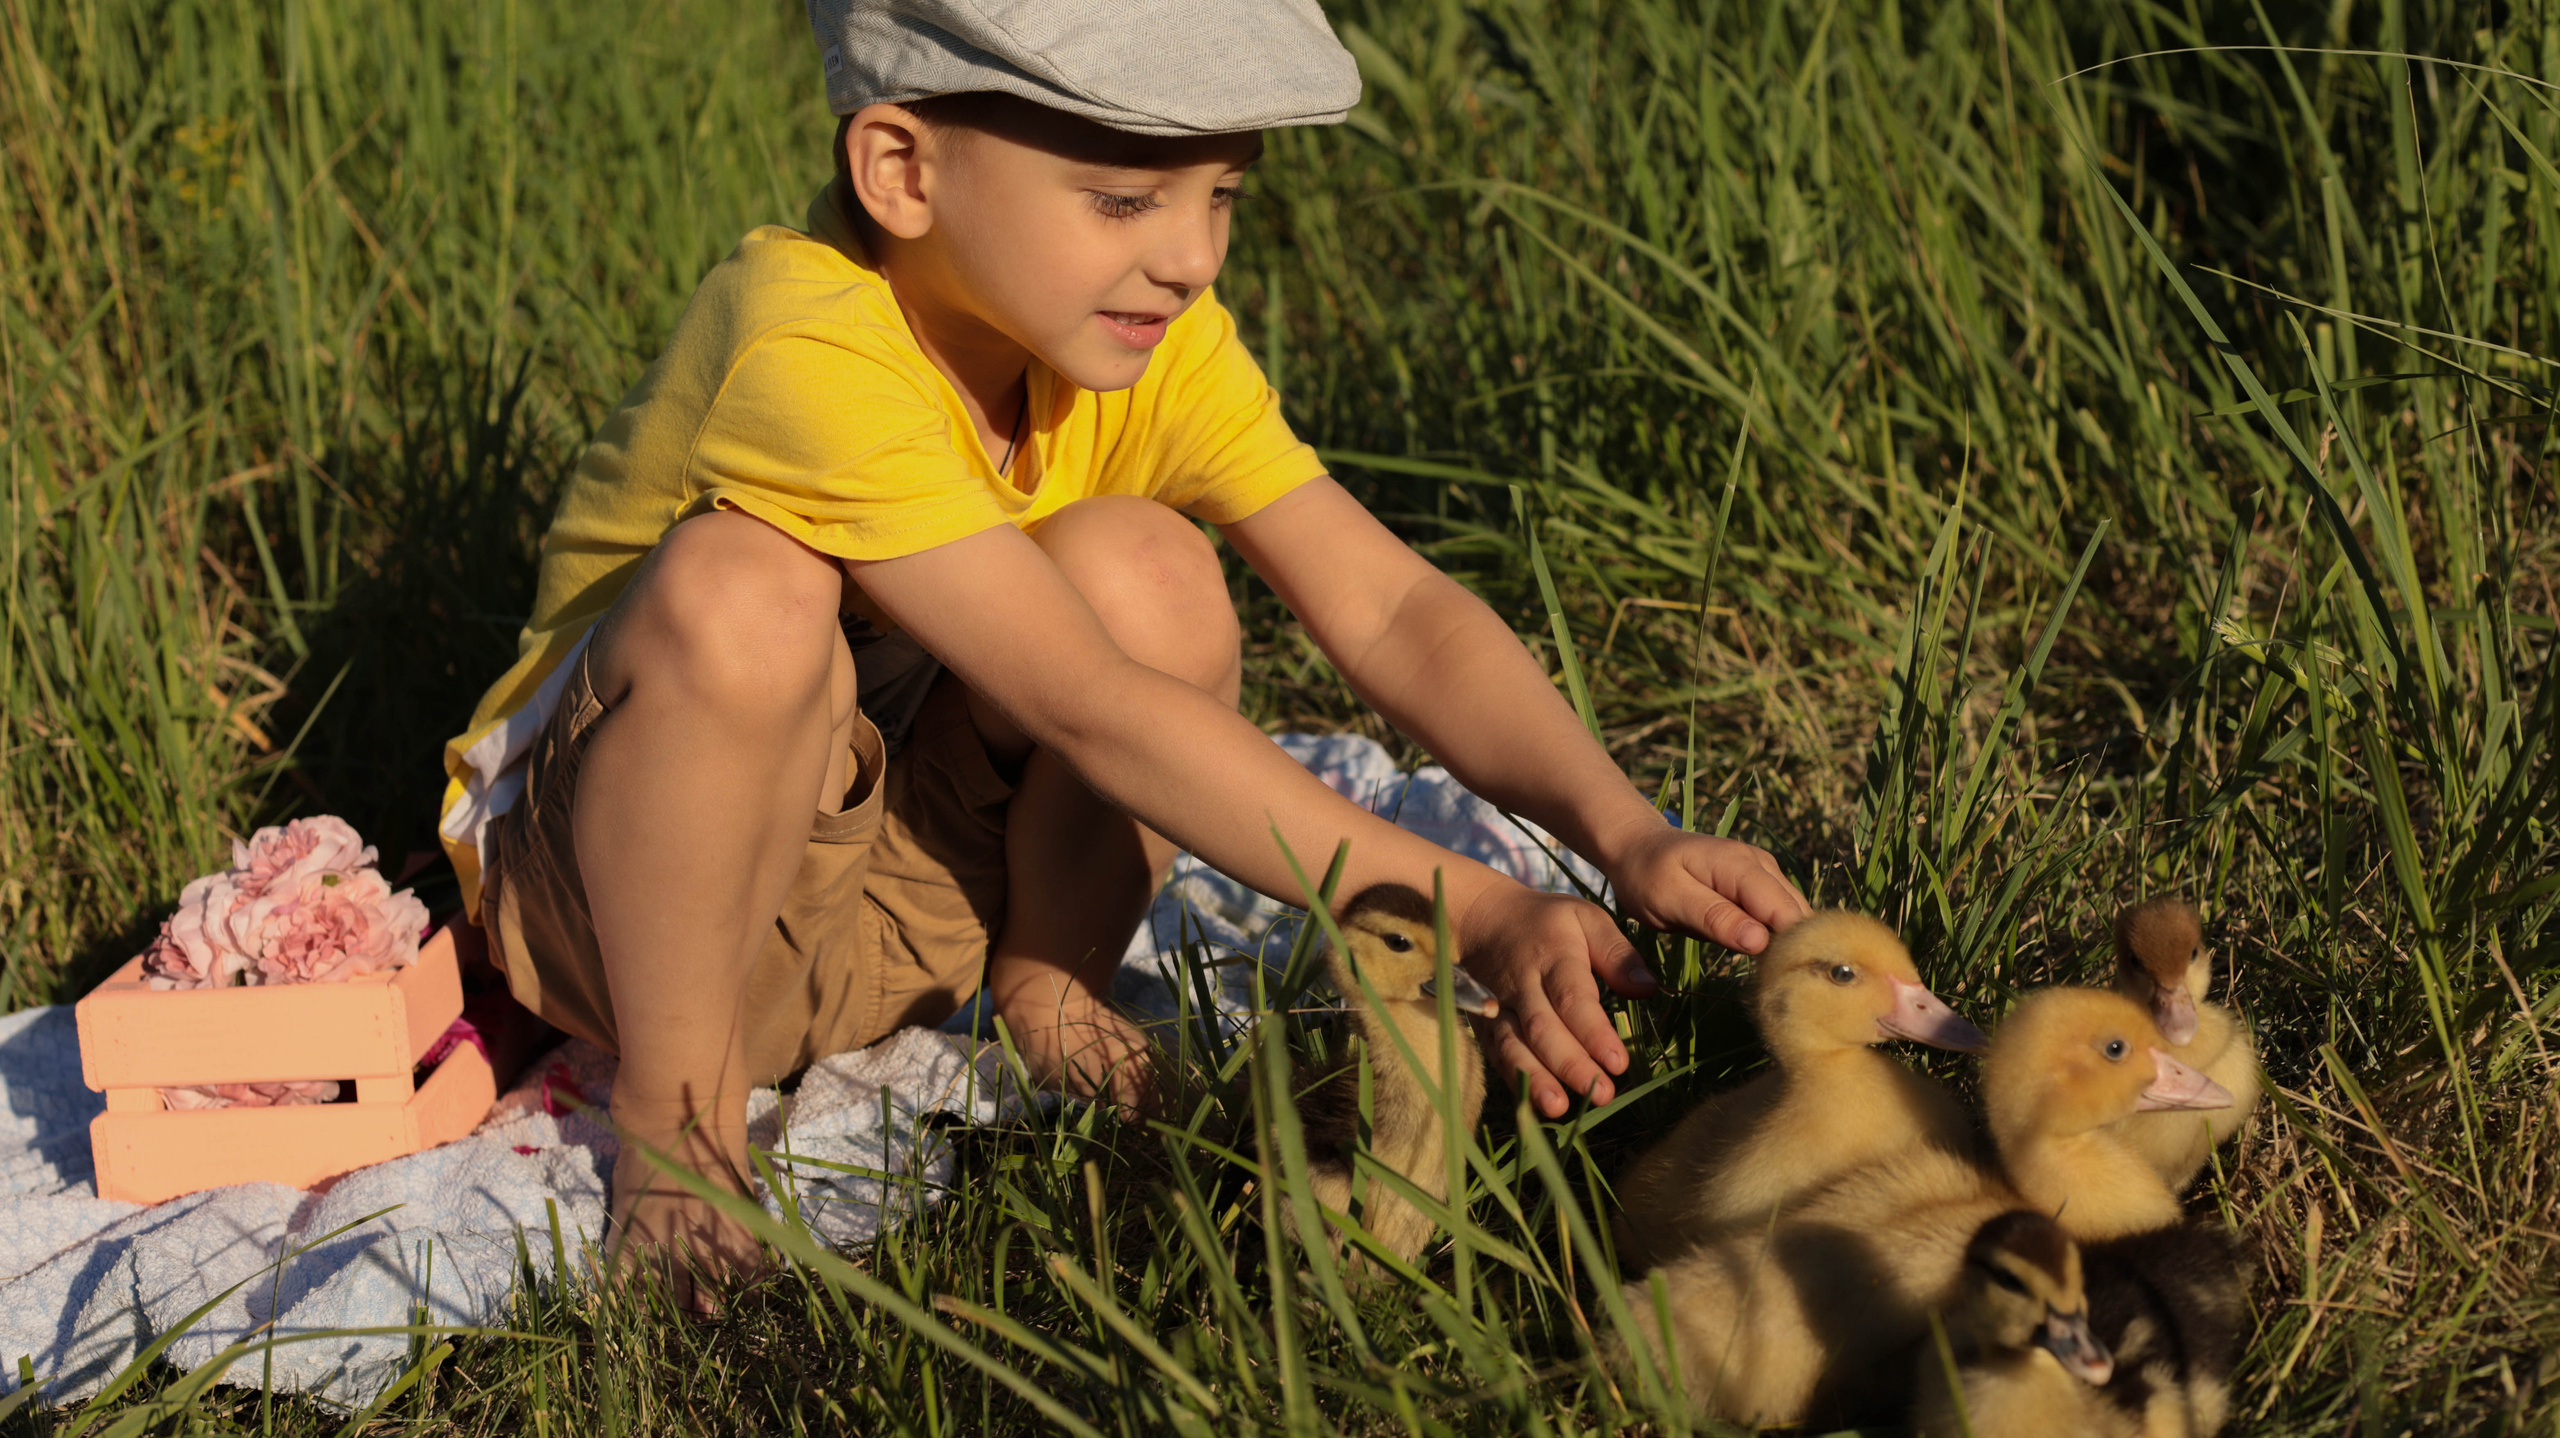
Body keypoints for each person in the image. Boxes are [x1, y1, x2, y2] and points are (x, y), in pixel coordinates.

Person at [437, 0, 1809, 1304]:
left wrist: (1624, 830)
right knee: (746, 589)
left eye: (1221, 194)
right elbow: (1089, 710)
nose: (1194, 254)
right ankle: (681, 1122)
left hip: (889, 919)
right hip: (625, 921)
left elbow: (1388, 608)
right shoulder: (805, 347)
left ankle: (1050, 977)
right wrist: (1477, 904)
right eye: (1125, 199)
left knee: (1150, 567)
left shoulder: (1147, 345)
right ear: (903, 170)